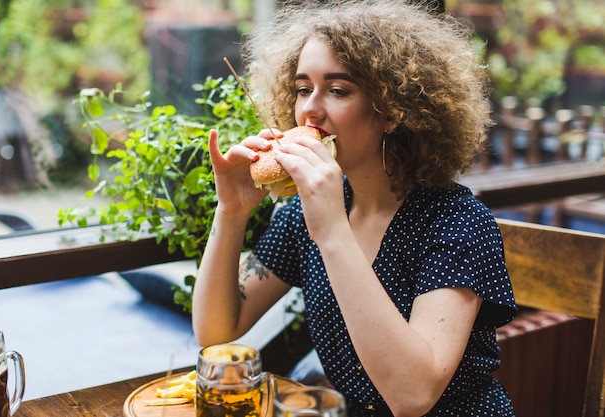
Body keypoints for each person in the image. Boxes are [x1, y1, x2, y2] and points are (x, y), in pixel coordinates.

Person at [192, 0, 517, 416]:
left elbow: (412, 396)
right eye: (303, 88)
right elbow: (217, 331)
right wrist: (232, 211)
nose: (310, 108)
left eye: (338, 90)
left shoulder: (456, 223)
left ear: (392, 111)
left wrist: (331, 230)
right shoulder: (301, 213)